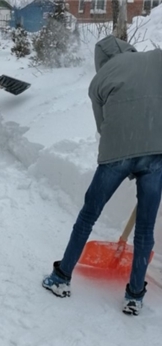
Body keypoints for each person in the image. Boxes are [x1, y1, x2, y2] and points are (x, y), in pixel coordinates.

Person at [42, 35, 162, 316]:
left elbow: (102, 125)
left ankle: (61, 278)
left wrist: (127, 152)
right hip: (157, 153)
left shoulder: (100, 79)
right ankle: (134, 296)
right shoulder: (156, 59)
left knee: (88, 215)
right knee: (145, 228)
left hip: (116, 154)